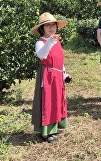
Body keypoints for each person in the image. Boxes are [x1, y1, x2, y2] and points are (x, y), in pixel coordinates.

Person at [30, 13, 71, 143]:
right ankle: (45, 133)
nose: (51, 28)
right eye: (48, 26)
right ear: (42, 28)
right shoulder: (40, 42)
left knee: (57, 101)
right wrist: (50, 42)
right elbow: (42, 55)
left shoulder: (56, 40)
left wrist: (65, 74)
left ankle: (53, 127)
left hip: (57, 76)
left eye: (53, 25)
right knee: (48, 102)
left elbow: (59, 60)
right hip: (47, 76)